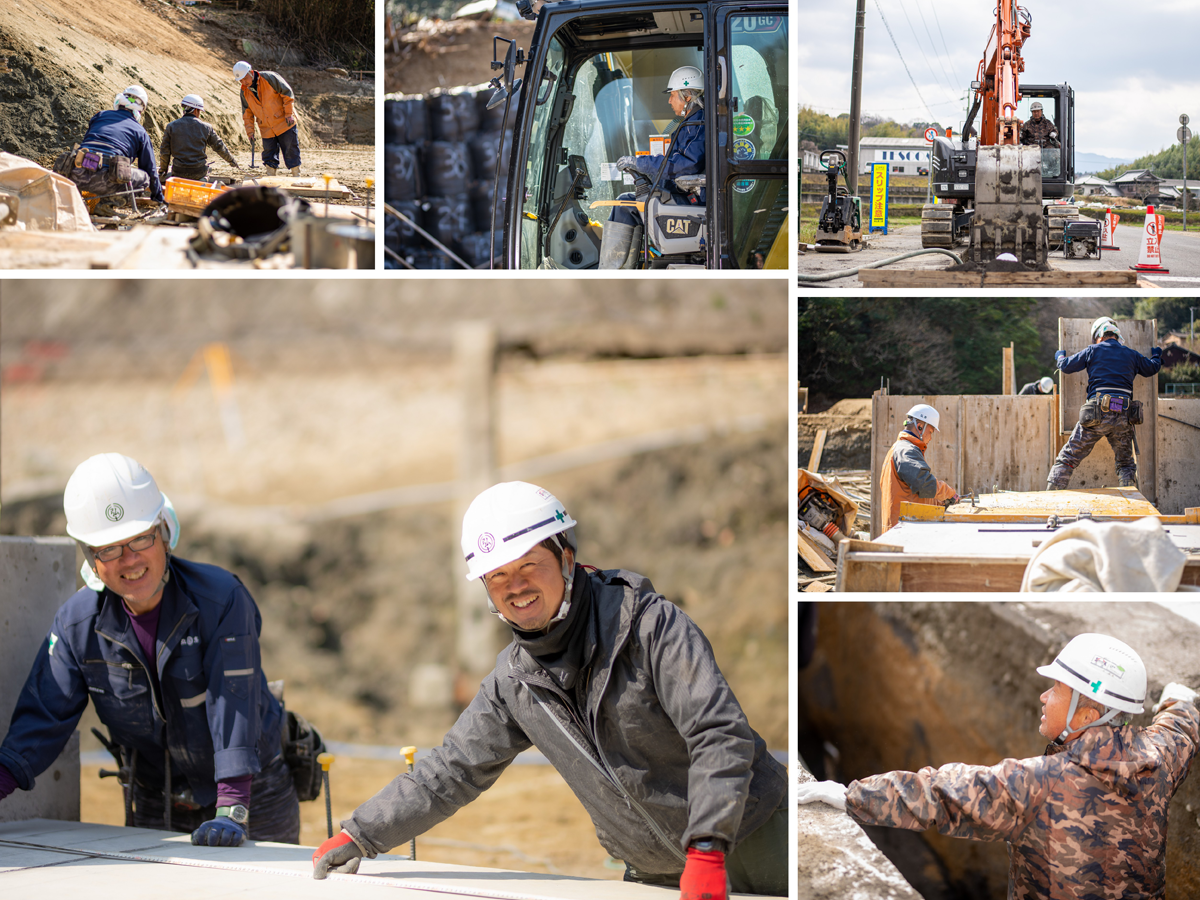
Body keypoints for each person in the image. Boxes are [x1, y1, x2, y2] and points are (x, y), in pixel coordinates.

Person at [313, 481, 787, 899]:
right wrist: (361, 834)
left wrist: (707, 847)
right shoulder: (513, 683)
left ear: (565, 557)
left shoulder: (649, 627)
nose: (515, 586)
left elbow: (718, 733)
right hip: (653, 873)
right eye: (497, 575)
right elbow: (451, 771)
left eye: (528, 566)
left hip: (750, 841)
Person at [0, 453, 298, 846]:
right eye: (108, 548)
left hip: (251, 795)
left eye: (140, 538)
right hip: (155, 799)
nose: (129, 559)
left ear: (164, 531)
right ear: (90, 557)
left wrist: (233, 808)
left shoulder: (220, 600)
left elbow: (234, 703)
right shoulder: (78, 626)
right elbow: (41, 721)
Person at [796, 633, 1199, 900]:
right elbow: (1183, 726)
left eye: (1056, 689)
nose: (1043, 696)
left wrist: (853, 795)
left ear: (1085, 714)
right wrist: (1176, 701)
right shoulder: (1159, 759)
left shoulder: (1037, 784)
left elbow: (941, 794)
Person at [599, 65, 706, 269]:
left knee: (626, 206)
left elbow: (684, 166)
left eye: (673, 95)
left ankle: (611, 271)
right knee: (627, 202)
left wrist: (640, 163)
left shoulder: (697, 125)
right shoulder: (690, 124)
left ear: (688, 96)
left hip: (691, 199)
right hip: (684, 193)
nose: (669, 100)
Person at [1046, 317, 1162, 490]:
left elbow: (1065, 366)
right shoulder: (1131, 354)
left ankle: (1052, 497)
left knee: (1068, 459)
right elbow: (1152, 367)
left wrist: (1060, 355)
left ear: (1099, 335)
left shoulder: (1093, 350)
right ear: (1116, 335)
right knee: (1126, 464)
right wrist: (1156, 355)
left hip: (1097, 414)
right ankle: (1131, 506)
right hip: (1124, 415)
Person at [57, 85, 165, 210]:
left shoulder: (100, 116)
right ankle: (106, 205)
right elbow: (150, 170)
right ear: (139, 111)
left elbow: (86, 143)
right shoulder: (140, 131)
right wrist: (159, 198)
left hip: (75, 175)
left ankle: (73, 200)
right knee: (144, 178)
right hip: (106, 182)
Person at [880, 403, 959, 531]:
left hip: (902, 527)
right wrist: (949, 493)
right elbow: (924, 484)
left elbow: (911, 493)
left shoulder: (900, 449)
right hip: (903, 530)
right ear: (920, 426)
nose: (931, 438)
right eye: (931, 431)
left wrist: (940, 503)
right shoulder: (906, 450)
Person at [234, 60, 301, 177]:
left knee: (291, 150)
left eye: (245, 79)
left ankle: (296, 175)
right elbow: (247, 113)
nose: (243, 82)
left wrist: (289, 113)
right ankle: (271, 177)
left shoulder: (270, 78)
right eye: (241, 80)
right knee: (269, 154)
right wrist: (250, 132)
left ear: (251, 72)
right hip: (266, 127)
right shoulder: (244, 91)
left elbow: (287, 94)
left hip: (284, 122)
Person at [159, 94, 240, 182]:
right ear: (196, 110)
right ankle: (203, 181)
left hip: (178, 172)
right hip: (199, 172)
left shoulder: (171, 126)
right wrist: (232, 161)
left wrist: (163, 171)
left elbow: (164, 152)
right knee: (206, 173)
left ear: (184, 109)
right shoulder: (206, 127)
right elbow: (219, 147)